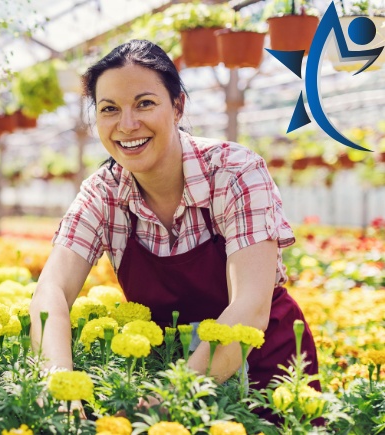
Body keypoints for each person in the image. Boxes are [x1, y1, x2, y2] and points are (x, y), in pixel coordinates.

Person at [29, 40, 319, 405]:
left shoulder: (234, 172)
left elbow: (250, 307)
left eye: (144, 103)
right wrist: (58, 385)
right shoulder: (103, 193)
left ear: (177, 106)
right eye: (109, 109)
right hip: (167, 369)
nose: (127, 124)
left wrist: (175, 393)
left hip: (265, 373)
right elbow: (51, 290)